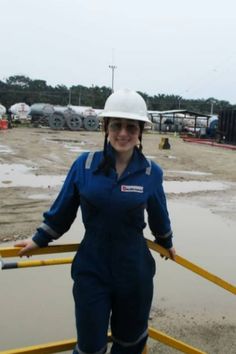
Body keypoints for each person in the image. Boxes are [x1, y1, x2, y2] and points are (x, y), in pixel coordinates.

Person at [15, 89, 176, 354]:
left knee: (131, 342)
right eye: (116, 125)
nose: (123, 133)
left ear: (140, 132)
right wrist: (39, 239)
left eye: (130, 127)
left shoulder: (151, 172)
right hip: (92, 268)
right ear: (105, 127)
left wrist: (166, 242)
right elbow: (63, 209)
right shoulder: (85, 165)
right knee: (90, 346)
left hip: (134, 271)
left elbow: (159, 214)